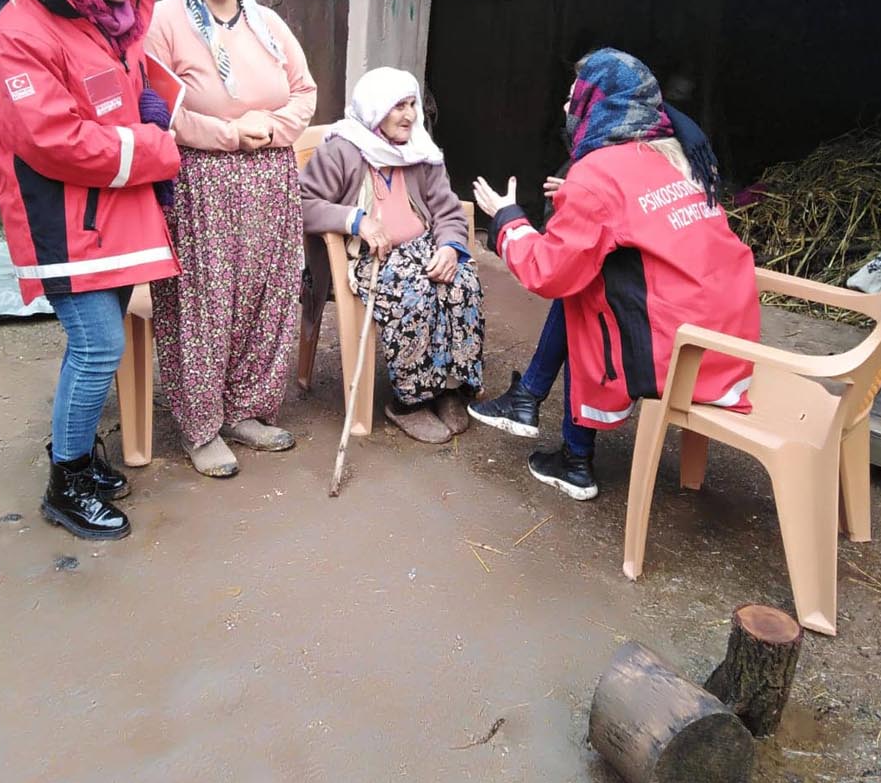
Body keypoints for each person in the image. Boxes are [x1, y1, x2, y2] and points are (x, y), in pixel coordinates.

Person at [0, 0, 181, 541]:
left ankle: (80, 456)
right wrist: (155, 149)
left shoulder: (93, 12)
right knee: (98, 348)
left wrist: (148, 104)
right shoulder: (20, 33)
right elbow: (53, 139)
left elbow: (107, 100)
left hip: (105, 219)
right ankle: (66, 482)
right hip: (65, 222)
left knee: (97, 343)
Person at [472, 47, 759, 501]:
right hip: (728, 345)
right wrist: (583, 201)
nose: (565, 108)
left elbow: (547, 272)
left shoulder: (598, 173)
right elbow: (648, 215)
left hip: (680, 359)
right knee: (596, 273)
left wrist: (508, 219)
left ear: (597, 105)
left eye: (574, 98)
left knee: (583, 292)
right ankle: (529, 400)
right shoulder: (675, 153)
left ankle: (574, 459)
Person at [146, 0, 317, 477]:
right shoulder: (166, 22)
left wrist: (272, 129)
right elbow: (159, 110)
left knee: (266, 297)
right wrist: (227, 133)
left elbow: (304, 91)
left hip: (270, 180)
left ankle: (246, 409)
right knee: (204, 303)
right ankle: (200, 425)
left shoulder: (266, 22)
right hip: (202, 182)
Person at [299, 67, 484, 443]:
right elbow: (299, 204)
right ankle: (409, 402)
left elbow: (448, 210)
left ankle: (449, 388)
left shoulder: (420, 150)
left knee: (462, 282)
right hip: (365, 257)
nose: (410, 115)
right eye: (399, 106)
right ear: (374, 109)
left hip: (423, 246)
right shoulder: (341, 150)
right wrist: (354, 219)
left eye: (413, 104)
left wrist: (449, 246)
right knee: (412, 290)